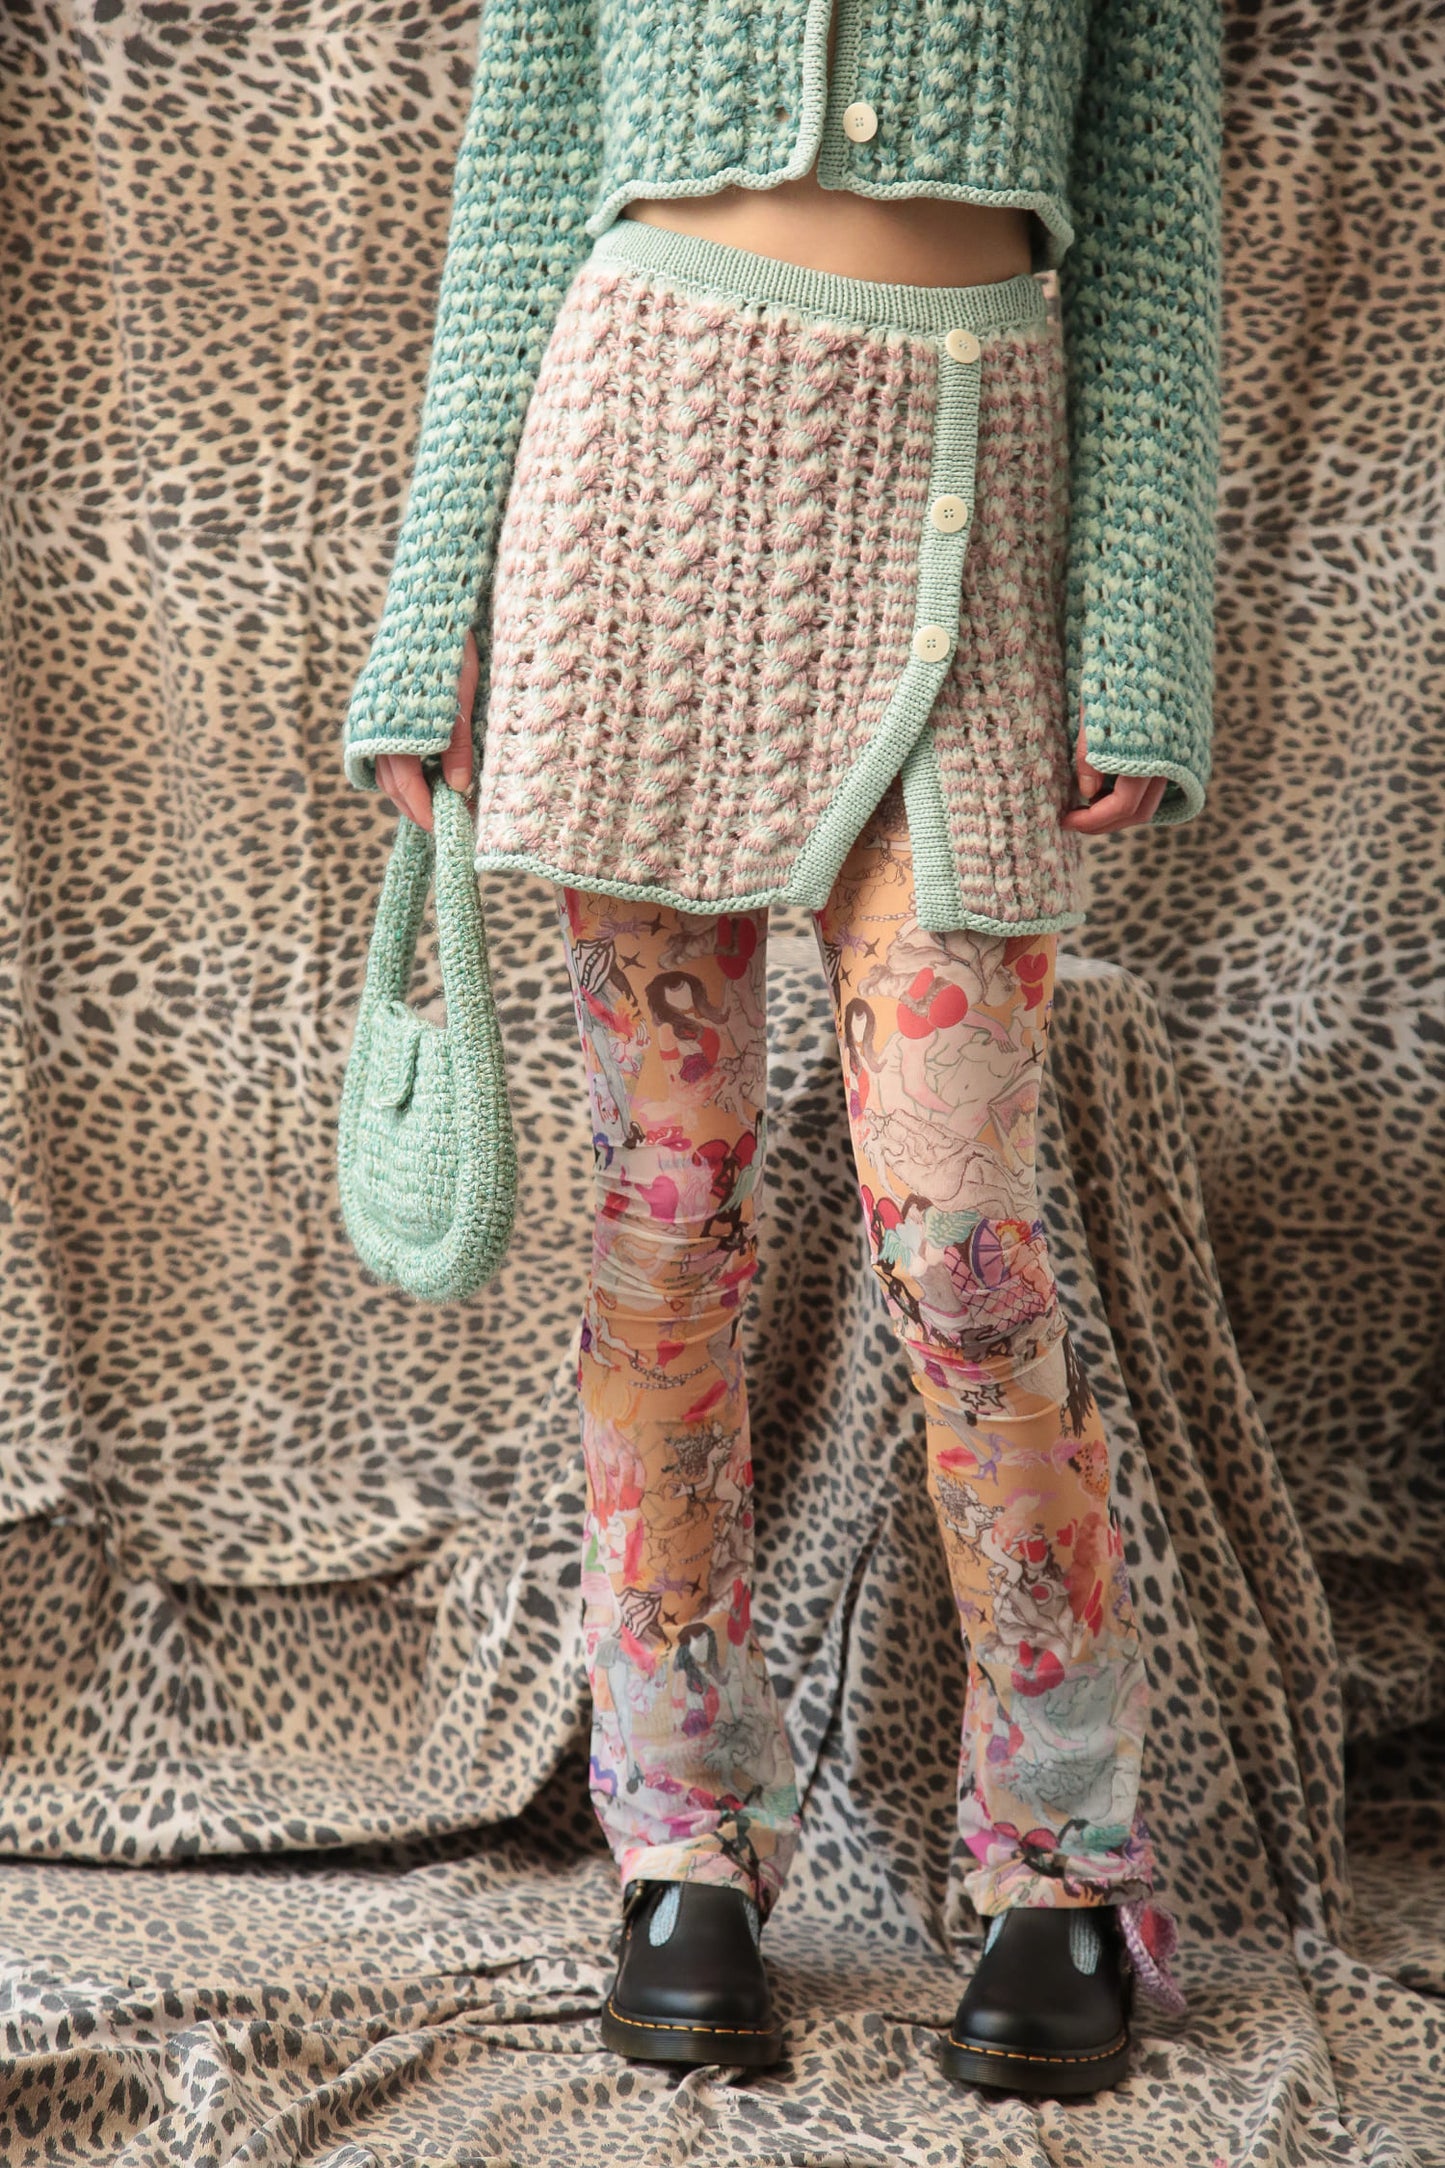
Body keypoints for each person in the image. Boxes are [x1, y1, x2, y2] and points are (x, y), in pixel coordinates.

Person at [343, 0, 1221, 2098]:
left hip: (964, 531)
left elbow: (1157, 232)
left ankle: (1059, 1858)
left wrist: (1139, 634)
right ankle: (681, 1847)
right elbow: (525, 184)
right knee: (664, 1224)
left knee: (968, 1255)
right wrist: (429, 614)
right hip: (636, 508)